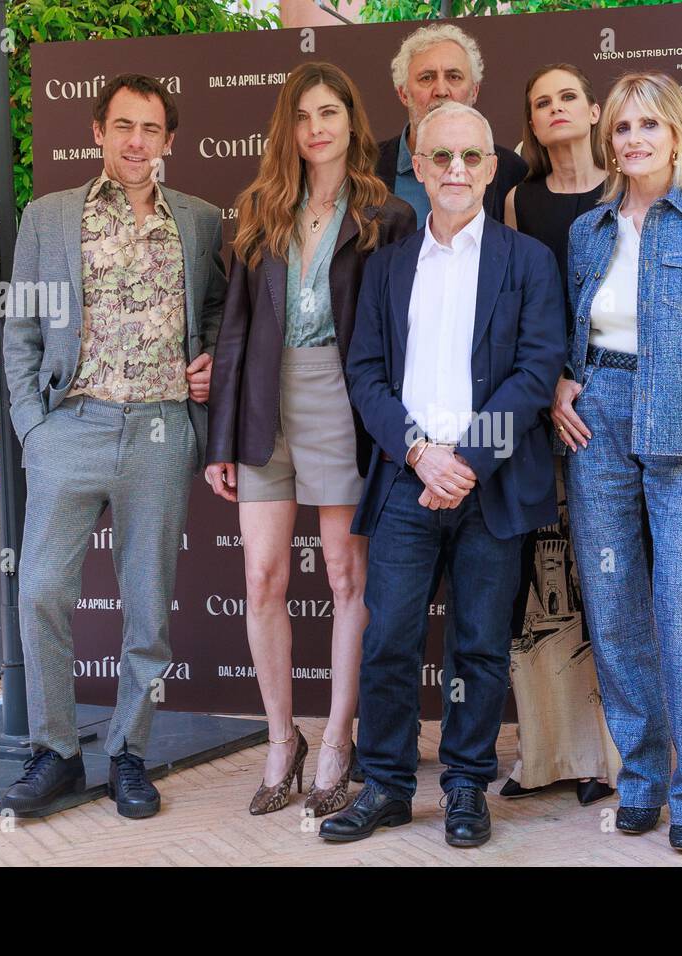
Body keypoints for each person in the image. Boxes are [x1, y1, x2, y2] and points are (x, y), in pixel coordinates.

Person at [319, 102, 565, 848]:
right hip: (404, 481)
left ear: (491, 169)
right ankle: (387, 786)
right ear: (418, 167)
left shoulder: (529, 262)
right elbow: (364, 374)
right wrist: (421, 452)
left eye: (471, 157)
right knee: (389, 636)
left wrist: (464, 460)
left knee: (480, 644)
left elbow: (536, 369)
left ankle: (464, 784)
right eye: (440, 157)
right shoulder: (387, 264)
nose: (456, 170)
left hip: (489, 485)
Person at [1, 73, 227, 819]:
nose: (136, 142)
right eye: (123, 126)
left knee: (148, 610)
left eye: (151, 129)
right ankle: (56, 751)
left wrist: (213, 359)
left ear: (169, 140)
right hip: (71, 425)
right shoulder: (49, 217)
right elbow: (22, 330)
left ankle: (128, 751)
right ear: (98, 130)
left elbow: (223, 313)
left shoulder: (197, 221)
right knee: (40, 591)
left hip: (162, 431)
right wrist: (33, 429)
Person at [204, 62, 415, 818]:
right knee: (262, 578)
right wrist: (220, 439)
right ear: (285, 129)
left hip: (343, 399)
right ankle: (280, 739)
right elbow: (234, 333)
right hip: (266, 403)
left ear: (351, 122)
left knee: (344, 578)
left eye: (328, 113)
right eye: (302, 116)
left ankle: (336, 739)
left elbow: (398, 334)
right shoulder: (259, 208)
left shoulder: (384, 215)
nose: (315, 128)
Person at [556, 71, 682, 852]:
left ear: (678, 135)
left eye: (650, 126)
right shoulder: (588, 230)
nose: (634, 139)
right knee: (613, 611)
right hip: (597, 423)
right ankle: (639, 778)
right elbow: (570, 336)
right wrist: (559, 388)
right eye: (624, 128)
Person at [499, 63, 618, 807]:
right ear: (532, 124)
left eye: (567, 96)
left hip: (614, 411)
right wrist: (544, 395)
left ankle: (608, 757)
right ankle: (546, 755)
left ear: (593, 109)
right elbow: (519, 309)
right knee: (545, 596)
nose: (555, 109)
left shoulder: (627, 186)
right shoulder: (519, 199)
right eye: (540, 101)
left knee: (608, 583)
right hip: (545, 415)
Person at [377, 23, 527, 228]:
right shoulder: (367, 167)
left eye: (453, 77)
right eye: (426, 77)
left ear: (474, 91)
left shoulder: (511, 171)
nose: (441, 90)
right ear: (403, 93)